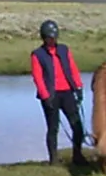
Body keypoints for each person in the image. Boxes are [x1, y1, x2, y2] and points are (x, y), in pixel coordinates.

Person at [30, 19, 87, 166]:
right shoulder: (37, 54)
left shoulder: (64, 50)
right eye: (50, 38)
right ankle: (53, 159)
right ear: (44, 38)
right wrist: (45, 96)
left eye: (55, 37)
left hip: (67, 92)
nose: (53, 40)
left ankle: (77, 155)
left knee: (77, 126)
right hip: (51, 95)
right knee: (53, 128)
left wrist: (79, 87)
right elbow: (37, 77)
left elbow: (73, 69)